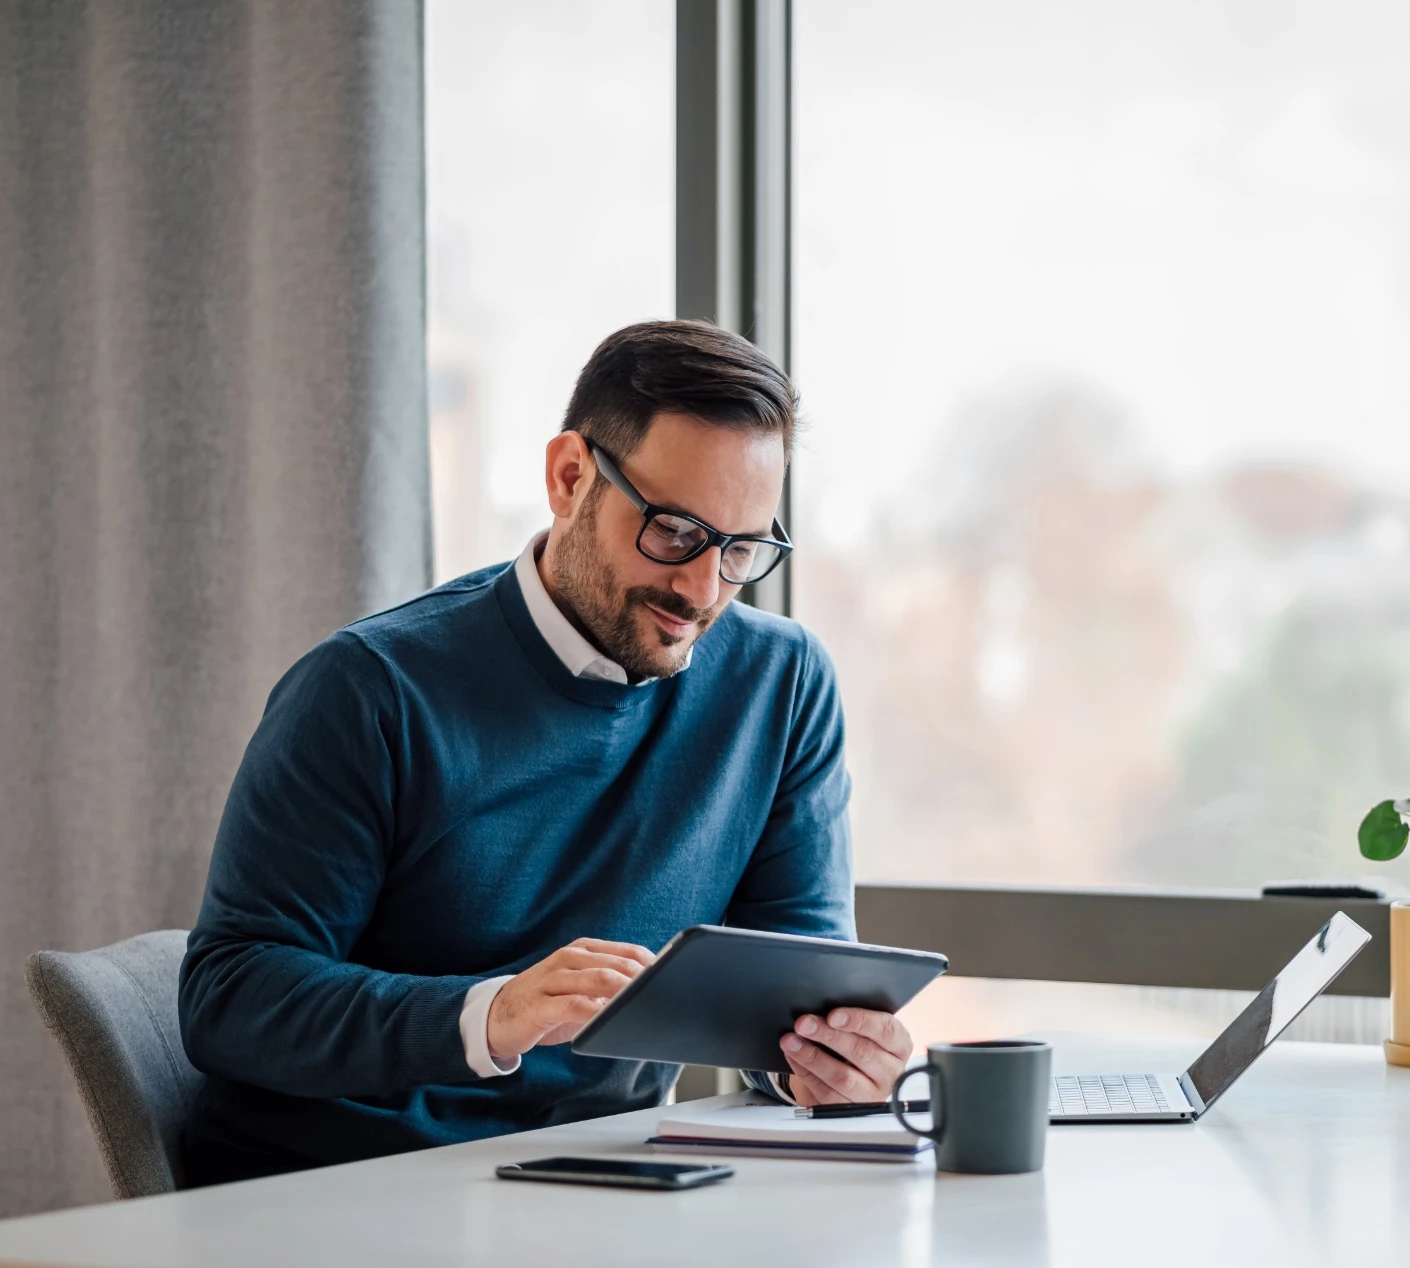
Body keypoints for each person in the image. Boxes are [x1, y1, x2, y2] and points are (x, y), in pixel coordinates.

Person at [178, 320, 914, 1184]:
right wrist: (491, 1012)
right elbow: (230, 998)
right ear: (570, 478)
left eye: (741, 549)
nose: (702, 588)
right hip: (341, 1187)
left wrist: (830, 1058)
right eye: (675, 532)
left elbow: (792, 998)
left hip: (604, 1182)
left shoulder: (781, 687)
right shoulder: (369, 689)